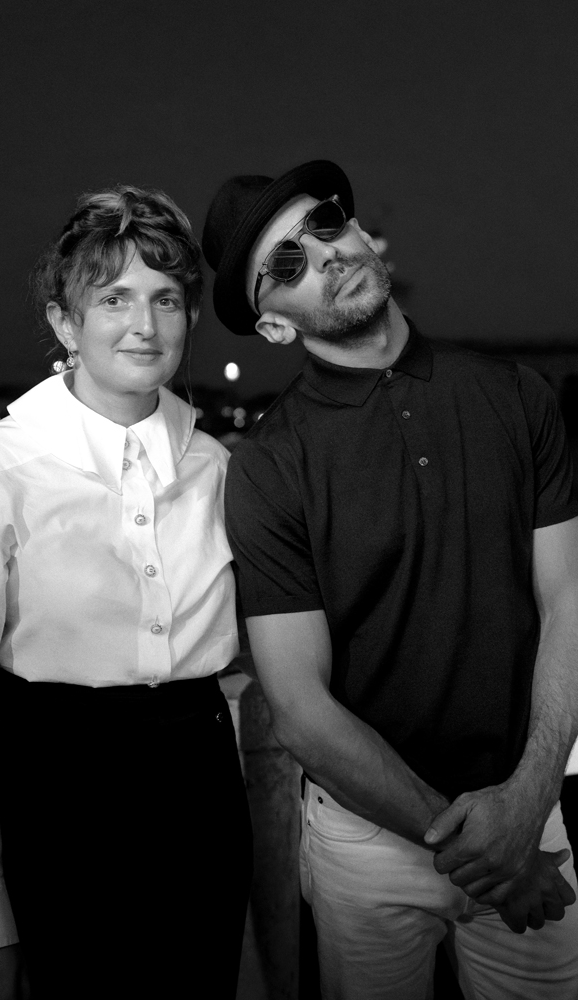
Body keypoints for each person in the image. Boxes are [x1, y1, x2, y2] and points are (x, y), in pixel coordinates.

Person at [201, 160, 578, 999]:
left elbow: (569, 602)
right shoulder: (269, 464)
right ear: (271, 327)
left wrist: (524, 803)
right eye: (287, 264)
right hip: (366, 848)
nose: (323, 255)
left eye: (325, 223)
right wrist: (480, 853)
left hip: (530, 807)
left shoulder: (517, 395)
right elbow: (298, 707)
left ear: (363, 231)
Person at [0, 185, 252, 1000]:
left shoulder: (218, 469)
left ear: (190, 318)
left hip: (202, 790)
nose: (145, 324)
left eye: (166, 299)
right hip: (59, 796)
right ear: (66, 324)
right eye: (114, 299)